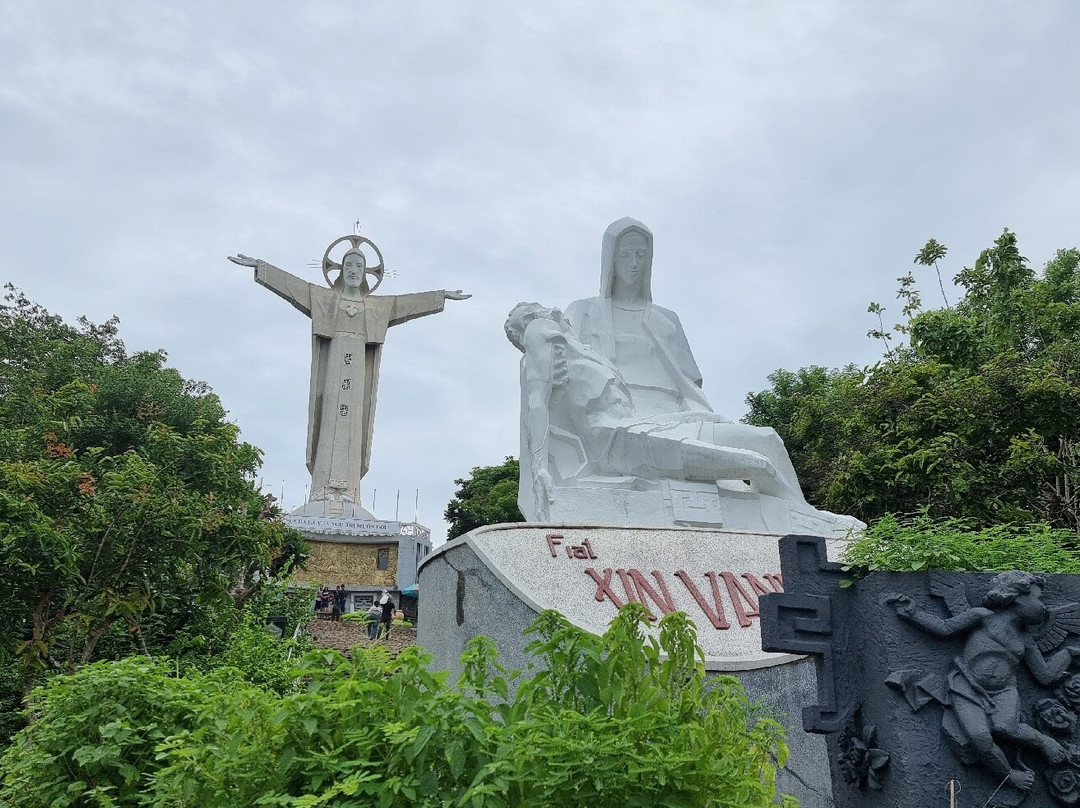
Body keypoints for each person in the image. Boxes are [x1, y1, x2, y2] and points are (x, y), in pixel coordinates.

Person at [505, 303, 806, 520]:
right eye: (530, 312)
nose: (542, 309)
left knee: (767, 439)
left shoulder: (575, 346)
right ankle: (804, 525)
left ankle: (806, 518)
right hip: (619, 444)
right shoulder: (539, 330)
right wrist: (540, 468)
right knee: (759, 463)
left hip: (638, 428)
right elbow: (537, 402)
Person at [229, 239, 470, 506]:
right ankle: (322, 489)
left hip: (357, 376)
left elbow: (406, 304)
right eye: (349, 265)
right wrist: (261, 268)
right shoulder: (325, 300)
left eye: (359, 266)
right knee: (330, 422)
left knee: (353, 426)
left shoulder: (377, 307)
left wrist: (440, 296)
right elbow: (294, 286)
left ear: (366, 272)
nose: (353, 270)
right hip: (333, 370)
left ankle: (350, 492)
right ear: (340, 270)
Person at [889, 572, 1080, 794]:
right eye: (1039, 599)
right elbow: (944, 628)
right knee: (980, 737)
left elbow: (1044, 675)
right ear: (1017, 598)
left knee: (1006, 727)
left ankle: (1044, 742)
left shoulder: (1025, 639)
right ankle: (1010, 775)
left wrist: (1068, 653)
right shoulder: (981, 616)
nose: (1044, 607)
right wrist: (913, 614)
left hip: (1005, 691)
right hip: (966, 686)